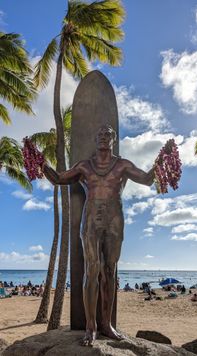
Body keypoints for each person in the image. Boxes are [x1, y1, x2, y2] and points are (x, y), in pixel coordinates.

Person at [42, 124, 164, 346]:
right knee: (92, 270)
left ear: (113, 139)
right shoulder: (85, 166)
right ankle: (91, 326)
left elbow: (146, 179)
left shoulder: (122, 165)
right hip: (91, 220)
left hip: (115, 219)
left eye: (107, 134)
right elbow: (59, 178)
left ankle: (106, 324)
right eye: (99, 134)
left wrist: (161, 161)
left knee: (110, 270)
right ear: (95, 139)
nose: (103, 137)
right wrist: (40, 163)